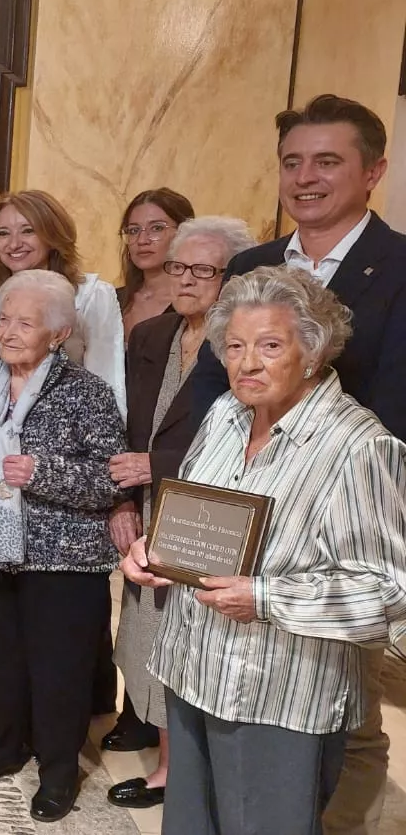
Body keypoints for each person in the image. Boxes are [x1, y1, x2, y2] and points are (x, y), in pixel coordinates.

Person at [185, 94, 406, 835]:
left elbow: (397, 411)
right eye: (292, 162)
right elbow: (212, 391)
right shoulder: (253, 264)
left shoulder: (402, 267)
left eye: (327, 161)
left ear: (373, 171)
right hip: (239, 517)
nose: (305, 177)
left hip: (344, 513)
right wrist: (180, 509)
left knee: (341, 718)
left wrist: (326, 468)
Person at [125, 266, 406, 834]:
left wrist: (265, 599)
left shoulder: (359, 446)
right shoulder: (225, 415)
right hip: (192, 670)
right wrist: (154, 551)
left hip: (279, 697)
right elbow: (198, 520)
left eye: (270, 345)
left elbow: (390, 595)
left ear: (313, 351)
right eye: (234, 346)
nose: (247, 363)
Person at [0, 270, 126, 823]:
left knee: (59, 673)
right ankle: (2, 748)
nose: (9, 332)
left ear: (58, 334)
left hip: (64, 559)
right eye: (5, 319)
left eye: (25, 323)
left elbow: (111, 481)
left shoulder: (87, 392)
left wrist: (43, 473)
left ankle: (58, 771)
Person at [102, 217, 254, 808]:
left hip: (208, 509)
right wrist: (122, 497)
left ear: (232, 276)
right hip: (145, 500)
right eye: (177, 267)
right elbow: (126, 422)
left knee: (185, 635)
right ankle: (159, 741)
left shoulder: (241, 344)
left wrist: (156, 465)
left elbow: (245, 435)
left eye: (203, 270)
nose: (185, 279)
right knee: (143, 629)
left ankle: (177, 771)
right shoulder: (151, 333)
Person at [0, 191, 125, 412]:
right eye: (3, 233)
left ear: (52, 235)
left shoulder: (93, 295)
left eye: (28, 231)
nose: (14, 244)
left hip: (70, 427)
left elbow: (110, 381)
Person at [117, 188, 195, 339]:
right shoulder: (111, 300)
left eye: (157, 228)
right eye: (133, 231)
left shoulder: (194, 301)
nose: (142, 240)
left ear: (183, 232)